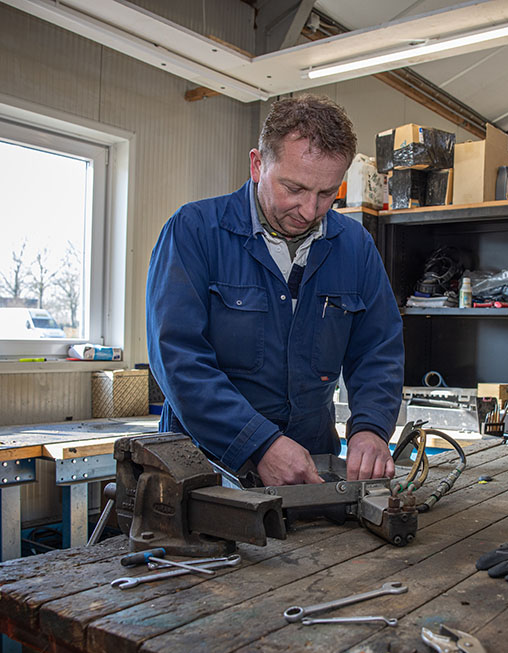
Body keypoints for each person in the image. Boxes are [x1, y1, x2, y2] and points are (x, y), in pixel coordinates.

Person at [147, 93, 403, 488]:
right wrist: (258, 443)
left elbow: (377, 349)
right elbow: (178, 359)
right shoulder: (194, 232)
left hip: (310, 469)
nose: (309, 211)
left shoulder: (355, 246)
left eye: (326, 194)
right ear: (257, 165)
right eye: (295, 189)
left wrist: (370, 428)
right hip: (202, 471)